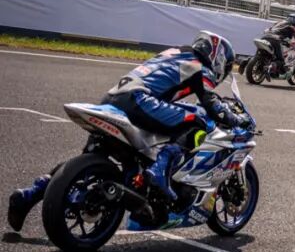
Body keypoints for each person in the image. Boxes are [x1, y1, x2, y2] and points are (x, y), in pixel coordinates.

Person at [7, 32, 249, 231]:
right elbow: (211, 104)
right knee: (198, 119)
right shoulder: (199, 66)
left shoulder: (173, 53)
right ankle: (159, 171)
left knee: (91, 157)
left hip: (113, 99)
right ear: (218, 57)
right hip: (140, 102)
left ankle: (29, 194)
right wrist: (235, 118)